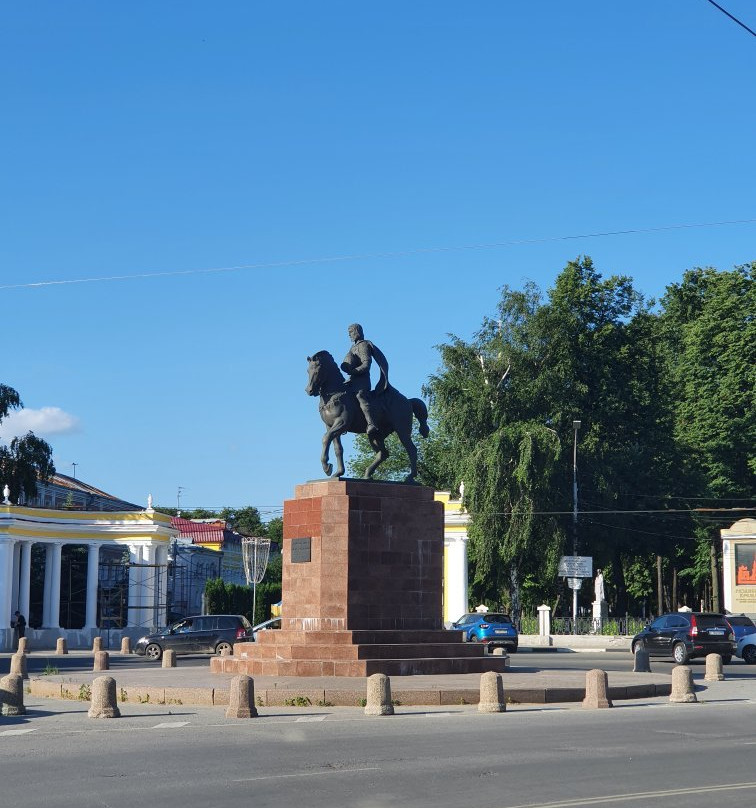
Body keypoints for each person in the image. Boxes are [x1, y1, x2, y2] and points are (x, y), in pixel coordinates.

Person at [341, 323, 390, 437]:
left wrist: (353, 371)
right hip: (353, 381)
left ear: (357, 332)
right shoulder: (352, 348)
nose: (350, 336)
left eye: (351, 333)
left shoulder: (363, 345)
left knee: (360, 396)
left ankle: (371, 423)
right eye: (349, 334)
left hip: (362, 382)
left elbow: (366, 364)